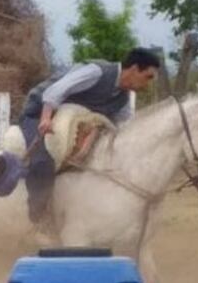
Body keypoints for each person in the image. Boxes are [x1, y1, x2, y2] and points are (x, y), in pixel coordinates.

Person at [18, 47, 162, 226]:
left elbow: (123, 127)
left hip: (72, 128)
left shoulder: (123, 99)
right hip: (39, 114)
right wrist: (45, 118)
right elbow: (56, 90)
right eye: (147, 77)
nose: (147, 84)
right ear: (134, 69)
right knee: (42, 162)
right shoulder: (97, 72)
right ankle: (38, 221)